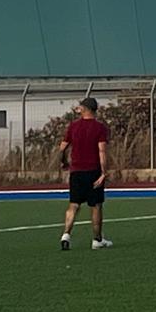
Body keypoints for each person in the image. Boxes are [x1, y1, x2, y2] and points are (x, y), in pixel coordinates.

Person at [58, 97, 111, 251]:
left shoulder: (73, 126)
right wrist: (104, 172)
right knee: (96, 206)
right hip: (93, 171)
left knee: (73, 205)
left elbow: (62, 148)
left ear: (85, 109)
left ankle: (66, 235)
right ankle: (97, 240)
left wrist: (64, 162)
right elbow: (102, 151)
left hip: (76, 171)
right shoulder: (99, 128)